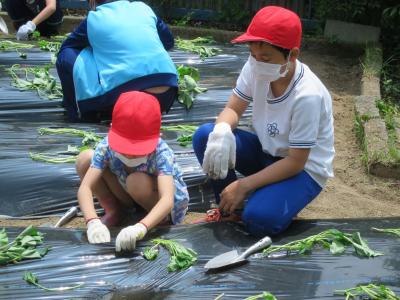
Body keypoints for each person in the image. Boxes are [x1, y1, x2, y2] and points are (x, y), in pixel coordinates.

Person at [192, 6, 335, 237]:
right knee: (206, 137)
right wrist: (221, 131)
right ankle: (230, 208)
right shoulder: (255, 66)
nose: (257, 62)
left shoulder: (308, 95)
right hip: (266, 151)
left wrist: (245, 185)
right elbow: (232, 108)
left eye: (266, 58)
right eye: (253, 55)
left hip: (302, 170)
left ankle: (264, 201)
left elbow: (297, 162)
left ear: (292, 55)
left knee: (259, 221)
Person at [76, 91, 189, 251]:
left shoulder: (161, 154)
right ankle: (114, 211)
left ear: (157, 137)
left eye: (137, 149)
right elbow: (85, 187)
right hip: (127, 191)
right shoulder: (106, 147)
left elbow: (167, 200)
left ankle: (159, 221)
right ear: (112, 129)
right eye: (124, 147)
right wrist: (92, 221)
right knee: (85, 159)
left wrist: (141, 227)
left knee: (136, 181)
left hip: (158, 202)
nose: (129, 154)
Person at [56, 0, 177, 122]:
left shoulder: (94, 18)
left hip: (126, 100)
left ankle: (77, 113)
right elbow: (168, 41)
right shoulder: (143, 8)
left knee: (66, 55)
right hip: (167, 93)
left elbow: (67, 47)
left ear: (92, 2)